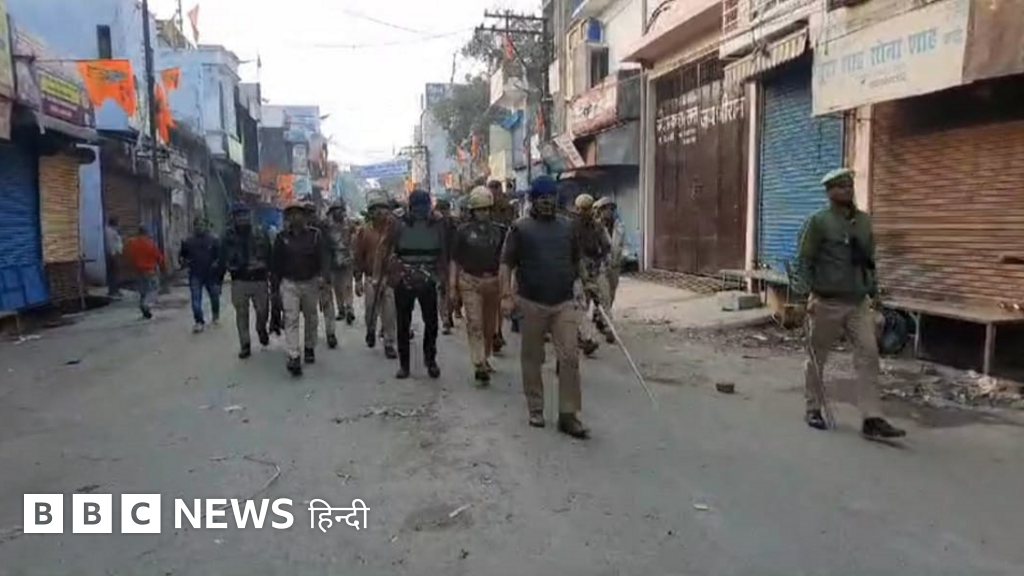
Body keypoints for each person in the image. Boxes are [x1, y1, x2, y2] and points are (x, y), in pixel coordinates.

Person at [794, 167, 906, 440]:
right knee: (817, 357)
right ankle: (813, 408)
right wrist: (805, 296)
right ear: (829, 192)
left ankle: (872, 418)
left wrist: (874, 293)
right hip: (826, 300)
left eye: (849, 185)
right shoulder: (818, 222)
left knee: (869, 355)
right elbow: (804, 260)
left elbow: (869, 260)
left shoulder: (864, 221)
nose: (847, 190)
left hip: (857, 302)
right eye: (840, 186)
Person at [500, 175, 590, 439]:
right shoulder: (520, 228)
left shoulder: (568, 227)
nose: (547, 202)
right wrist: (506, 295)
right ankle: (536, 408)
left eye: (551, 197)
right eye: (542, 198)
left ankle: (568, 415)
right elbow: (506, 263)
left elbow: (578, 260)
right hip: (531, 302)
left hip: (564, 302)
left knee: (570, 357)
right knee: (533, 357)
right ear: (533, 200)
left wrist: (588, 283)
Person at [384, 189, 448, 379]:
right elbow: (387, 248)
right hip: (405, 277)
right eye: (417, 209)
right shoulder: (398, 223)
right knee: (403, 324)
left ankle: (431, 359)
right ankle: (404, 365)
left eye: (423, 209)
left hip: (428, 278)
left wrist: (443, 277)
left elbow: (443, 252)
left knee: (432, 323)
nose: (420, 213)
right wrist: (387, 273)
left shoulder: (438, 223)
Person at [450, 186, 507, 384]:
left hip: (493, 281)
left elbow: (506, 262)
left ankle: (486, 356)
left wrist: (507, 287)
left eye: (486, 209)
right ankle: (479, 362)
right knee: (474, 323)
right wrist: (452, 286)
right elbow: (455, 260)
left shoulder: (500, 231)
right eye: (479, 209)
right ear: (472, 211)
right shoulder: (462, 232)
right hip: (470, 281)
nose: (483, 213)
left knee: (489, 326)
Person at [272, 201, 330, 376]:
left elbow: (323, 258)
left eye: (299, 213)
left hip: (310, 282)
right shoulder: (281, 237)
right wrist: (275, 288)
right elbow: (275, 264)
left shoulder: (315, 235)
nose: (295, 217)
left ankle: (309, 347)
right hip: (289, 284)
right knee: (291, 319)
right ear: (288, 218)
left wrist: (323, 277)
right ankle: (294, 355)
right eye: (292, 214)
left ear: (305, 217)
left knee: (311, 317)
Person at [221, 203, 272, 359]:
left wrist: (269, 270)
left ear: (250, 216)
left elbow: (270, 254)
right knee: (241, 314)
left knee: (263, 311)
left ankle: (261, 329)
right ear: (233, 218)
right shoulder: (228, 236)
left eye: (245, 214)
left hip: (259, 279)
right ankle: (245, 344)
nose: (242, 218)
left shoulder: (260, 232)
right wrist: (226, 271)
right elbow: (222, 257)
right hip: (239, 280)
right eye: (238, 215)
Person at [354, 190, 398, 359]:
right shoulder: (364, 232)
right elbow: (358, 256)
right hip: (371, 277)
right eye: (376, 209)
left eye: (383, 208)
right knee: (370, 309)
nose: (380, 212)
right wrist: (358, 279)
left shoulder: (394, 231)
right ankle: (371, 330)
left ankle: (389, 342)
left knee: (389, 312)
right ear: (370, 212)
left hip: (389, 278)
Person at [572, 193, 609, 353]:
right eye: (581, 209)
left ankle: (603, 326)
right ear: (576, 209)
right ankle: (585, 337)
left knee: (602, 299)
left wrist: (602, 260)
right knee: (580, 304)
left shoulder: (597, 227)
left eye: (587, 209)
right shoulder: (571, 227)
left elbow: (605, 246)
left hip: (595, 269)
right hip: (576, 272)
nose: (584, 212)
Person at [179, 217, 223, 333]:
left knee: (214, 297)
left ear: (206, 226)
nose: (200, 227)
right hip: (195, 274)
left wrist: (217, 265)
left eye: (202, 224)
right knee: (196, 299)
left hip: (211, 274)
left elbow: (220, 256)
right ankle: (199, 321)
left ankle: (215, 316)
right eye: (197, 225)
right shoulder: (188, 241)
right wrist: (184, 262)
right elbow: (182, 256)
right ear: (194, 227)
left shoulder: (214, 240)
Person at [488, 180, 515, 353]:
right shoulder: (483, 207)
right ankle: (492, 331)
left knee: (500, 296)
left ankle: (497, 332)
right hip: (486, 256)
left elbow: (513, 228)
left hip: (503, 256)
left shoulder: (508, 208)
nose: (494, 194)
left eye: (496, 190)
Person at [593, 196, 624, 343]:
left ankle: (599, 316)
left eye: (611, 209)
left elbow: (620, 244)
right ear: (600, 211)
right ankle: (608, 328)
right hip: (601, 267)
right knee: (604, 296)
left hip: (615, 266)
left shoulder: (619, 226)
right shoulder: (596, 227)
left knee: (611, 296)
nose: (609, 211)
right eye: (606, 209)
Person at [323, 200, 357, 326]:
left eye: (340, 210)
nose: (339, 212)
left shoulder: (349, 223)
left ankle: (349, 308)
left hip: (347, 258)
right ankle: (341, 309)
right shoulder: (327, 226)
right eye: (336, 210)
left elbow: (355, 237)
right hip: (333, 259)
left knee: (347, 285)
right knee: (337, 287)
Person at [123, 225, 166, 320]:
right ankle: (146, 304)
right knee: (153, 289)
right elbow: (158, 257)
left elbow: (126, 255)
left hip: (137, 271)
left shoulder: (131, 243)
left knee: (143, 291)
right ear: (146, 232)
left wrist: (130, 266)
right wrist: (163, 268)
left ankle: (145, 312)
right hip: (149, 270)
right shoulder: (150, 243)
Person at [435, 198, 457, 335]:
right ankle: (445, 319)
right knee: (443, 291)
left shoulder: (454, 224)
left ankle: (448, 315)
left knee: (452, 292)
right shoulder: (434, 225)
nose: (444, 213)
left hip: (454, 261)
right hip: (440, 263)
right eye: (442, 210)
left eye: (445, 210)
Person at [104, 217, 123, 298]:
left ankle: (113, 290)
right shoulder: (113, 232)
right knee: (114, 274)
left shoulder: (107, 231)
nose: (119, 225)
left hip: (110, 254)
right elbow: (116, 244)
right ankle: (114, 291)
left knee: (112, 274)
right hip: (114, 254)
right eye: (118, 223)